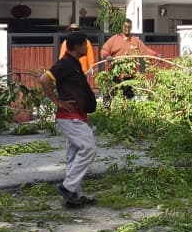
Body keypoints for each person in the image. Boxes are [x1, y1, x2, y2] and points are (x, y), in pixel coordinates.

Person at [40, 32, 99, 207]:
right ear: (75, 47)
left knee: (74, 155)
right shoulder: (65, 63)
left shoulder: (73, 63)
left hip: (77, 115)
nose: (87, 48)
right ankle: (68, 187)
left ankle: (74, 195)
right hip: (69, 116)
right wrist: (58, 101)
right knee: (88, 148)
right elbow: (44, 80)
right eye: (84, 45)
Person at [100, 19, 160, 99]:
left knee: (128, 99)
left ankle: (127, 110)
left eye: (129, 27)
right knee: (109, 96)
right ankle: (106, 110)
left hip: (129, 76)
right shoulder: (114, 39)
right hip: (114, 74)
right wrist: (107, 56)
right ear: (122, 27)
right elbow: (104, 50)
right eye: (125, 26)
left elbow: (145, 50)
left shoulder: (135, 40)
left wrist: (157, 55)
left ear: (131, 28)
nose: (127, 28)